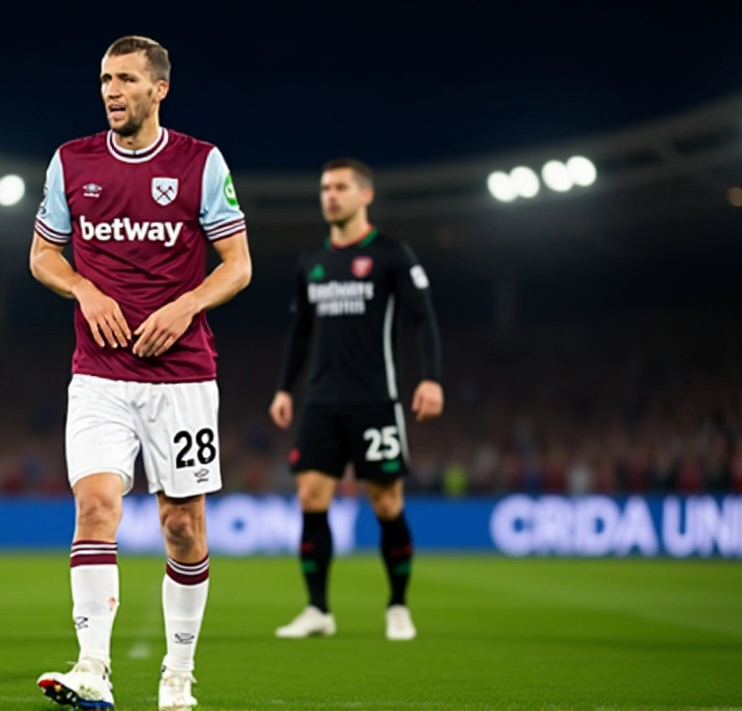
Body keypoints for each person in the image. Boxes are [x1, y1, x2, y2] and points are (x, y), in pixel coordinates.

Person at [30, 35, 252, 711]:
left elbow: (238, 265)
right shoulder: (71, 162)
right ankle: (92, 668)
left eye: (125, 79)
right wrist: (84, 290)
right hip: (98, 374)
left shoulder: (200, 163)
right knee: (95, 505)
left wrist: (185, 306)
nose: (111, 91)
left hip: (182, 377)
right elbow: (44, 256)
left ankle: (177, 677)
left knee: (182, 525)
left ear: (159, 88)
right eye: (104, 79)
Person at [269, 159, 443, 642]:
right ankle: (318, 609)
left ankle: (398, 606)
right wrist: (285, 387)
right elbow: (300, 331)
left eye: (341, 186)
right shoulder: (312, 261)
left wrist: (431, 378)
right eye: (325, 186)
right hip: (321, 402)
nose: (330, 194)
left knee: (387, 503)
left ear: (365, 195)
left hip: (376, 401)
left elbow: (422, 318)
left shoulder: (392, 255)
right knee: (310, 497)